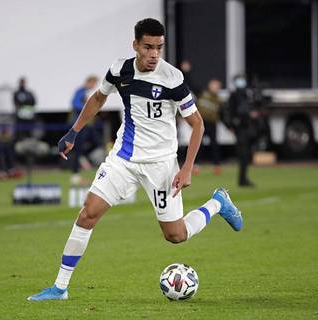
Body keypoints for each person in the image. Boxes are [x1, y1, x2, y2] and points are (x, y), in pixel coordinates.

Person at [27, 18, 243, 301]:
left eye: (159, 48)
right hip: (123, 159)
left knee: (175, 236)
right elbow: (97, 99)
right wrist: (73, 132)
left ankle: (218, 202)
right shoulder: (120, 70)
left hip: (161, 164)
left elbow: (198, 124)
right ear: (136, 45)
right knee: (88, 213)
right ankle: (60, 287)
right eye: (148, 47)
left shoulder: (172, 78)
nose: (154, 54)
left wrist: (187, 167)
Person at [225, 74, 258, 187]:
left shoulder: (246, 95)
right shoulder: (234, 96)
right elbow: (228, 112)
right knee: (243, 154)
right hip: (240, 128)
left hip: (247, 127)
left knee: (247, 154)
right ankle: (242, 180)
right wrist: (230, 125)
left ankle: (243, 179)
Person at [69, 76, 103, 185]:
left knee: (96, 143)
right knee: (77, 149)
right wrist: (87, 107)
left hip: (87, 125)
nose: (94, 86)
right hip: (79, 125)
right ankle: (75, 173)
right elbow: (75, 104)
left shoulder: (88, 92)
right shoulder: (81, 91)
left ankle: (83, 158)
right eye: (93, 83)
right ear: (88, 82)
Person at [196, 79, 224, 175]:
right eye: (214, 85)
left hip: (212, 124)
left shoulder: (219, 100)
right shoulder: (202, 94)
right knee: (198, 145)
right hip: (201, 123)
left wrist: (229, 126)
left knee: (214, 146)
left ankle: (216, 166)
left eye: (217, 86)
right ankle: (196, 166)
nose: (215, 88)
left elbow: (222, 114)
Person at [13, 77, 36, 142]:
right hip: (20, 117)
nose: (22, 84)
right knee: (20, 133)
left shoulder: (29, 93)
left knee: (29, 132)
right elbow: (16, 103)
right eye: (21, 82)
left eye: (23, 82)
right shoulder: (17, 93)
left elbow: (33, 102)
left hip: (29, 117)